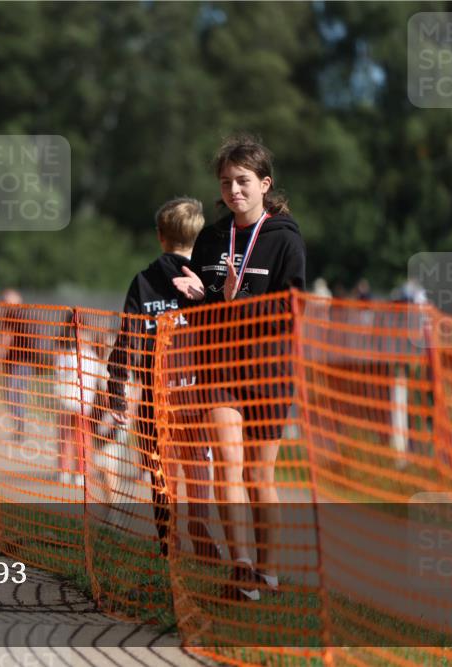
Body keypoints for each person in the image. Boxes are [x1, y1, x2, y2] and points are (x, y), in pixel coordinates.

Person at [172, 134, 306, 601]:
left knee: (257, 477)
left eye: (244, 181)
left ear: (264, 184)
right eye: (227, 182)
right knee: (228, 466)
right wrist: (200, 299)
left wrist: (235, 304)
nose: (235, 191)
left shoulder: (285, 238)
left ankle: (268, 572)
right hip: (220, 368)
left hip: (269, 371)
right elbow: (206, 307)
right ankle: (242, 570)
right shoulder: (210, 238)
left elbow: (291, 311)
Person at [106, 197, 218, 560]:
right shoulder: (205, 281)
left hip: (154, 395)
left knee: (159, 474)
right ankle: (200, 529)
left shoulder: (144, 281)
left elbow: (126, 340)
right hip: (196, 394)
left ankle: (168, 543)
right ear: (198, 238)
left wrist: (117, 391)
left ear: (160, 236)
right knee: (199, 469)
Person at [53, 310, 108, 487]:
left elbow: (99, 379)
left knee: (80, 438)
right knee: (68, 436)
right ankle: (66, 469)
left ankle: (80, 471)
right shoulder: (68, 353)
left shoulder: (88, 355)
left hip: (81, 402)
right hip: (69, 400)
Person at [0, 288, 36, 442]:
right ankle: (19, 426)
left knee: (13, 395)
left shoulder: (13, 315)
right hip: (23, 362)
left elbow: (6, 338)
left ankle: (20, 426)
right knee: (16, 395)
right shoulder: (26, 313)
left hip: (17, 362)